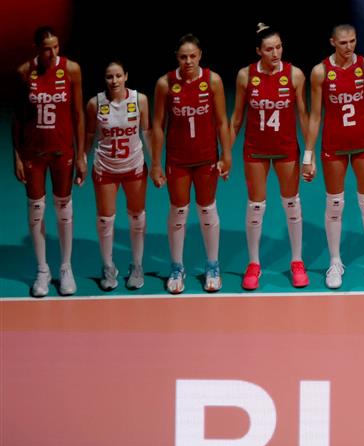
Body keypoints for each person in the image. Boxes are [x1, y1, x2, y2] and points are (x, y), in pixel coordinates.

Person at [302, 23, 364, 289]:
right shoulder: (320, 72)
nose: (349, 47)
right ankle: (334, 262)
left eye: (353, 41)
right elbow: (315, 117)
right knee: (335, 205)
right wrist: (308, 155)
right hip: (334, 146)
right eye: (343, 43)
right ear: (332, 42)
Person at [150, 33, 233, 294]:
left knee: (207, 210)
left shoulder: (212, 80)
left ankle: (213, 266)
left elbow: (222, 121)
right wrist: (156, 163)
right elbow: (157, 126)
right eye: (183, 57)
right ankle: (177, 267)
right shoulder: (165, 83)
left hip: (206, 157)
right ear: (177, 57)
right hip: (178, 159)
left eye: (192, 56)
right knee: (178, 212)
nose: (188, 61)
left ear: (200, 56)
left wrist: (226, 155)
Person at [229, 23, 310, 290]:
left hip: (286, 148)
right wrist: (225, 153)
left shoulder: (295, 75)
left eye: (278, 47)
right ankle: (254, 264)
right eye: (269, 49)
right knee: (256, 206)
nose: (275, 53)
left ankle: (297, 261)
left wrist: (309, 155)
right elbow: (236, 119)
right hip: (255, 149)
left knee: (292, 203)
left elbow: (304, 117)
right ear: (258, 51)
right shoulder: (245, 76)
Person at [15, 26, 86, 297]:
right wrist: (17, 156)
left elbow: (78, 114)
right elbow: (18, 118)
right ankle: (42, 270)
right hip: (33, 153)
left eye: (56, 47)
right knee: (36, 210)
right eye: (47, 48)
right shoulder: (25, 72)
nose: (52, 53)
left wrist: (81, 155)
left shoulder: (71, 70)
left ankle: (66, 268)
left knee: (63, 208)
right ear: (37, 49)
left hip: (62, 152)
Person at [84, 60, 148, 291]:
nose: (114, 81)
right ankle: (108, 267)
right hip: (106, 167)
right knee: (105, 219)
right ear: (105, 79)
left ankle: (137, 265)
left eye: (118, 76)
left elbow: (147, 132)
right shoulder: (95, 103)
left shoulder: (140, 100)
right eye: (110, 77)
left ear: (126, 76)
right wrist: (82, 159)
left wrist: (156, 165)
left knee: (137, 217)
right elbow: (89, 134)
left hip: (134, 166)